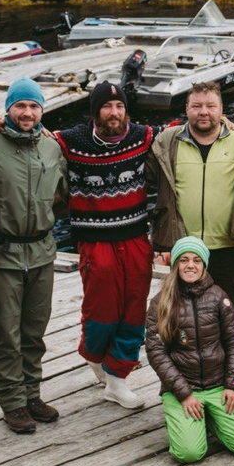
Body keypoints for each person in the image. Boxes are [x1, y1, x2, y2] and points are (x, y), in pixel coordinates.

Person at [51, 81, 167, 409]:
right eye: (106, 107)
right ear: (96, 111)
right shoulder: (72, 141)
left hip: (134, 237)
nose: (114, 113)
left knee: (133, 309)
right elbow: (34, 135)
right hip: (95, 240)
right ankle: (94, 353)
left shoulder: (142, 136)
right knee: (101, 310)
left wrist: (225, 122)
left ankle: (117, 379)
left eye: (119, 107)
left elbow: (179, 127)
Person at [0, 77, 68, 434]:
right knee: (7, 334)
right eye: (20, 106)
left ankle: (32, 393)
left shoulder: (51, 148)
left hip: (43, 252)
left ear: (42, 109)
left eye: (33, 106)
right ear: (8, 109)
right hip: (3, 254)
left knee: (34, 330)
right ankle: (12, 402)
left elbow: (62, 195)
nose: (27, 113)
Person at [146, 81, 234, 315]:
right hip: (183, 245)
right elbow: (142, 160)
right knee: (182, 315)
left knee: (228, 313)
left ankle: (226, 353)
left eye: (211, 106)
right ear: (186, 109)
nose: (204, 112)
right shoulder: (168, 140)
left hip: (226, 244)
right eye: (196, 106)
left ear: (222, 109)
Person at [145, 236, 234, 463]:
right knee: (189, 454)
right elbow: (156, 352)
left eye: (197, 260)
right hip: (182, 388)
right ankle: (181, 418)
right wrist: (184, 394)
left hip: (219, 385)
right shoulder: (160, 303)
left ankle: (211, 419)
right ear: (175, 264)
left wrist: (233, 385)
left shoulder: (219, 297)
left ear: (204, 265)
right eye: (184, 260)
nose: (190, 265)